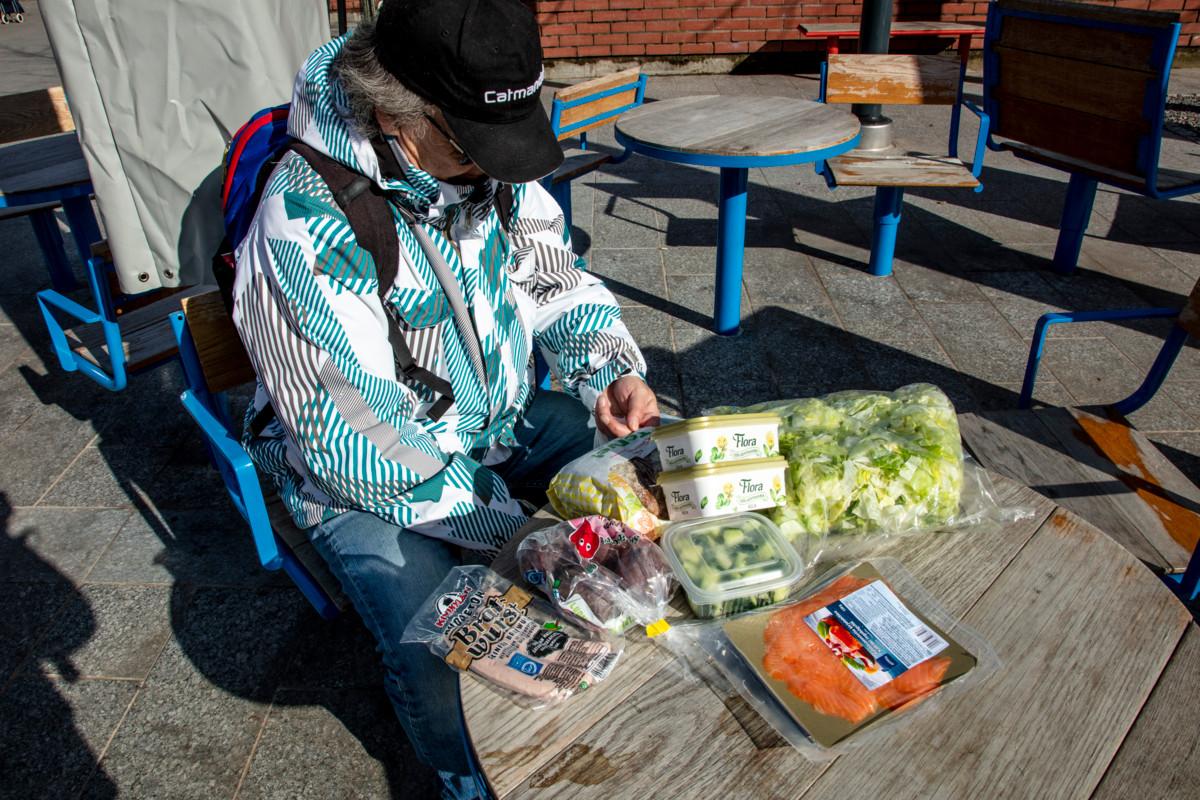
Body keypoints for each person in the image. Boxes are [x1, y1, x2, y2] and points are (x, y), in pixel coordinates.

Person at [230, 1, 659, 798]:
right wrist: (519, 530)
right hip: (355, 475)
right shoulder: (302, 221)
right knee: (431, 641)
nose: (494, 167)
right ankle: (466, 778)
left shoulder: (476, 161)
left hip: (492, 421)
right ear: (399, 114)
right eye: (473, 147)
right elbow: (355, 440)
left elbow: (548, 274)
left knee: (645, 489)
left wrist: (607, 369)